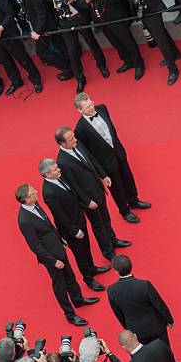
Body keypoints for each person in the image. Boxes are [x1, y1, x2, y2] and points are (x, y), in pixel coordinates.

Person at [15, 183, 99, 325]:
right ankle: (70, 314)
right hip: (51, 258)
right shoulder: (24, 220)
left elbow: (48, 224)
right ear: (26, 199)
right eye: (33, 192)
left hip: (59, 248)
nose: (36, 191)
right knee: (60, 286)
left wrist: (61, 238)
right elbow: (35, 246)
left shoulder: (36, 205)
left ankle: (78, 300)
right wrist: (53, 261)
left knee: (70, 277)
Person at [55, 126, 132, 261]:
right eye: (71, 139)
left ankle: (113, 240)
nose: (75, 140)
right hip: (89, 200)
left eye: (73, 136)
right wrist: (86, 201)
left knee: (106, 219)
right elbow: (73, 186)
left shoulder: (78, 145)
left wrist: (104, 175)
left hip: (98, 190)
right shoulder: (62, 162)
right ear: (62, 143)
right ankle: (108, 252)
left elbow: (92, 160)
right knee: (98, 225)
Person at [73, 93, 151, 224]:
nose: (92, 108)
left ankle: (134, 200)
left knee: (128, 176)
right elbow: (88, 153)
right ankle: (124, 211)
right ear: (79, 110)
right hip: (105, 162)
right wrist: (100, 172)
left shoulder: (102, 108)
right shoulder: (80, 129)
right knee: (116, 188)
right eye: (87, 107)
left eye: (91, 103)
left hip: (118, 152)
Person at [39, 158, 111, 292]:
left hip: (79, 219)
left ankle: (92, 268)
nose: (59, 169)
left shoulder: (59, 178)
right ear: (47, 174)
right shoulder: (49, 193)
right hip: (71, 229)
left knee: (86, 246)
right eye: (55, 169)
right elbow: (59, 215)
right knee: (80, 254)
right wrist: (74, 230)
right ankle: (88, 278)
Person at [76, 0, 144, 80]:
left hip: (115, 16)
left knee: (127, 40)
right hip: (100, 19)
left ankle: (139, 64)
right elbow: (80, 3)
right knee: (115, 42)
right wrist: (86, 1)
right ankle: (127, 61)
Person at [116, 0, 180, 85]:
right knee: (159, 32)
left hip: (152, 8)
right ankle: (175, 52)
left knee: (160, 39)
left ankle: (173, 69)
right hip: (139, 8)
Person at [46, 0, 110, 93]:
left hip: (79, 17)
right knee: (72, 51)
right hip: (64, 22)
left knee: (91, 42)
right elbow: (48, 0)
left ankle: (102, 66)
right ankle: (80, 78)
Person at [10, 0, 74, 83]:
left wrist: (38, 31)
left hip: (43, 24)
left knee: (42, 52)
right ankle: (70, 62)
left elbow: (41, 12)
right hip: (47, 20)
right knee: (58, 42)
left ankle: (67, 68)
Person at [107, 255, 174, 347]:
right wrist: (169, 320)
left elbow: (118, 313)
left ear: (116, 271)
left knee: (145, 357)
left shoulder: (111, 290)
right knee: (165, 353)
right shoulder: (144, 285)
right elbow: (159, 304)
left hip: (136, 330)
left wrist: (128, 328)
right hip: (156, 326)